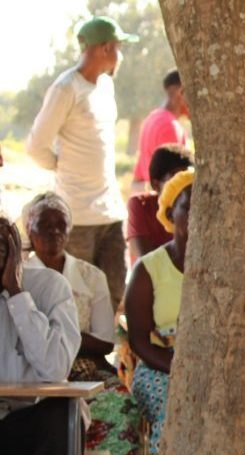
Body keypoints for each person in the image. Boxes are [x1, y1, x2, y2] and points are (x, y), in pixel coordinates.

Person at [21, 193, 143, 455]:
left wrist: (61, 341)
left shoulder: (90, 276)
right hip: (34, 372)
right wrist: (59, 341)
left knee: (120, 405)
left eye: (61, 227)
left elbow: (104, 340)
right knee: (33, 411)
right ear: (30, 232)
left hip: (85, 367)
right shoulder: (19, 274)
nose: (54, 234)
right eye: (44, 227)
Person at [26, 16, 138, 311]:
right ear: (103, 48)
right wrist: (62, 167)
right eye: (118, 47)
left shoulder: (105, 86)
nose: (121, 55)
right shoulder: (66, 89)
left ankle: (106, 354)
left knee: (113, 293)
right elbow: (36, 145)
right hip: (77, 215)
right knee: (75, 300)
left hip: (110, 211)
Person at [0, 215, 80, 455]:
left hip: (30, 420)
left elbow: (54, 368)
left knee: (62, 419)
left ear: (18, 251)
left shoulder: (49, 286)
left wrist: (16, 294)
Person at [125, 170, 192, 455]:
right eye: (187, 208)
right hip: (158, 368)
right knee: (174, 410)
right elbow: (138, 340)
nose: (197, 217)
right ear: (169, 213)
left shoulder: (226, 269)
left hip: (208, 369)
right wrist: (177, 368)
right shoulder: (149, 269)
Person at [125, 144, 193, 262]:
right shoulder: (140, 205)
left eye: (186, 178)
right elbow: (147, 261)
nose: (181, 184)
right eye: (175, 177)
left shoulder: (193, 207)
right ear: (156, 184)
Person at [131, 70, 189, 192]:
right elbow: (173, 182)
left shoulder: (151, 119)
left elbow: (138, 177)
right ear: (181, 93)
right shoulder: (170, 126)